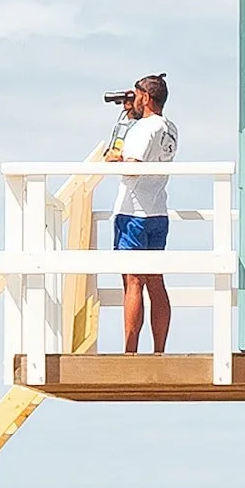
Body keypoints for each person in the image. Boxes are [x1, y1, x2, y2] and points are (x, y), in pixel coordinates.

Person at [103, 74, 178, 353]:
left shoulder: (143, 129)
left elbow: (132, 165)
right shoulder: (169, 127)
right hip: (158, 212)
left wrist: (114, 157)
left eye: (135, 96)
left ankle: (130, 351)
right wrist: (128, 116)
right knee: (155, 281)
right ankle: (159, 349)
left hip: (132, 212)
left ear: (145, 98)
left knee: (132, 283)